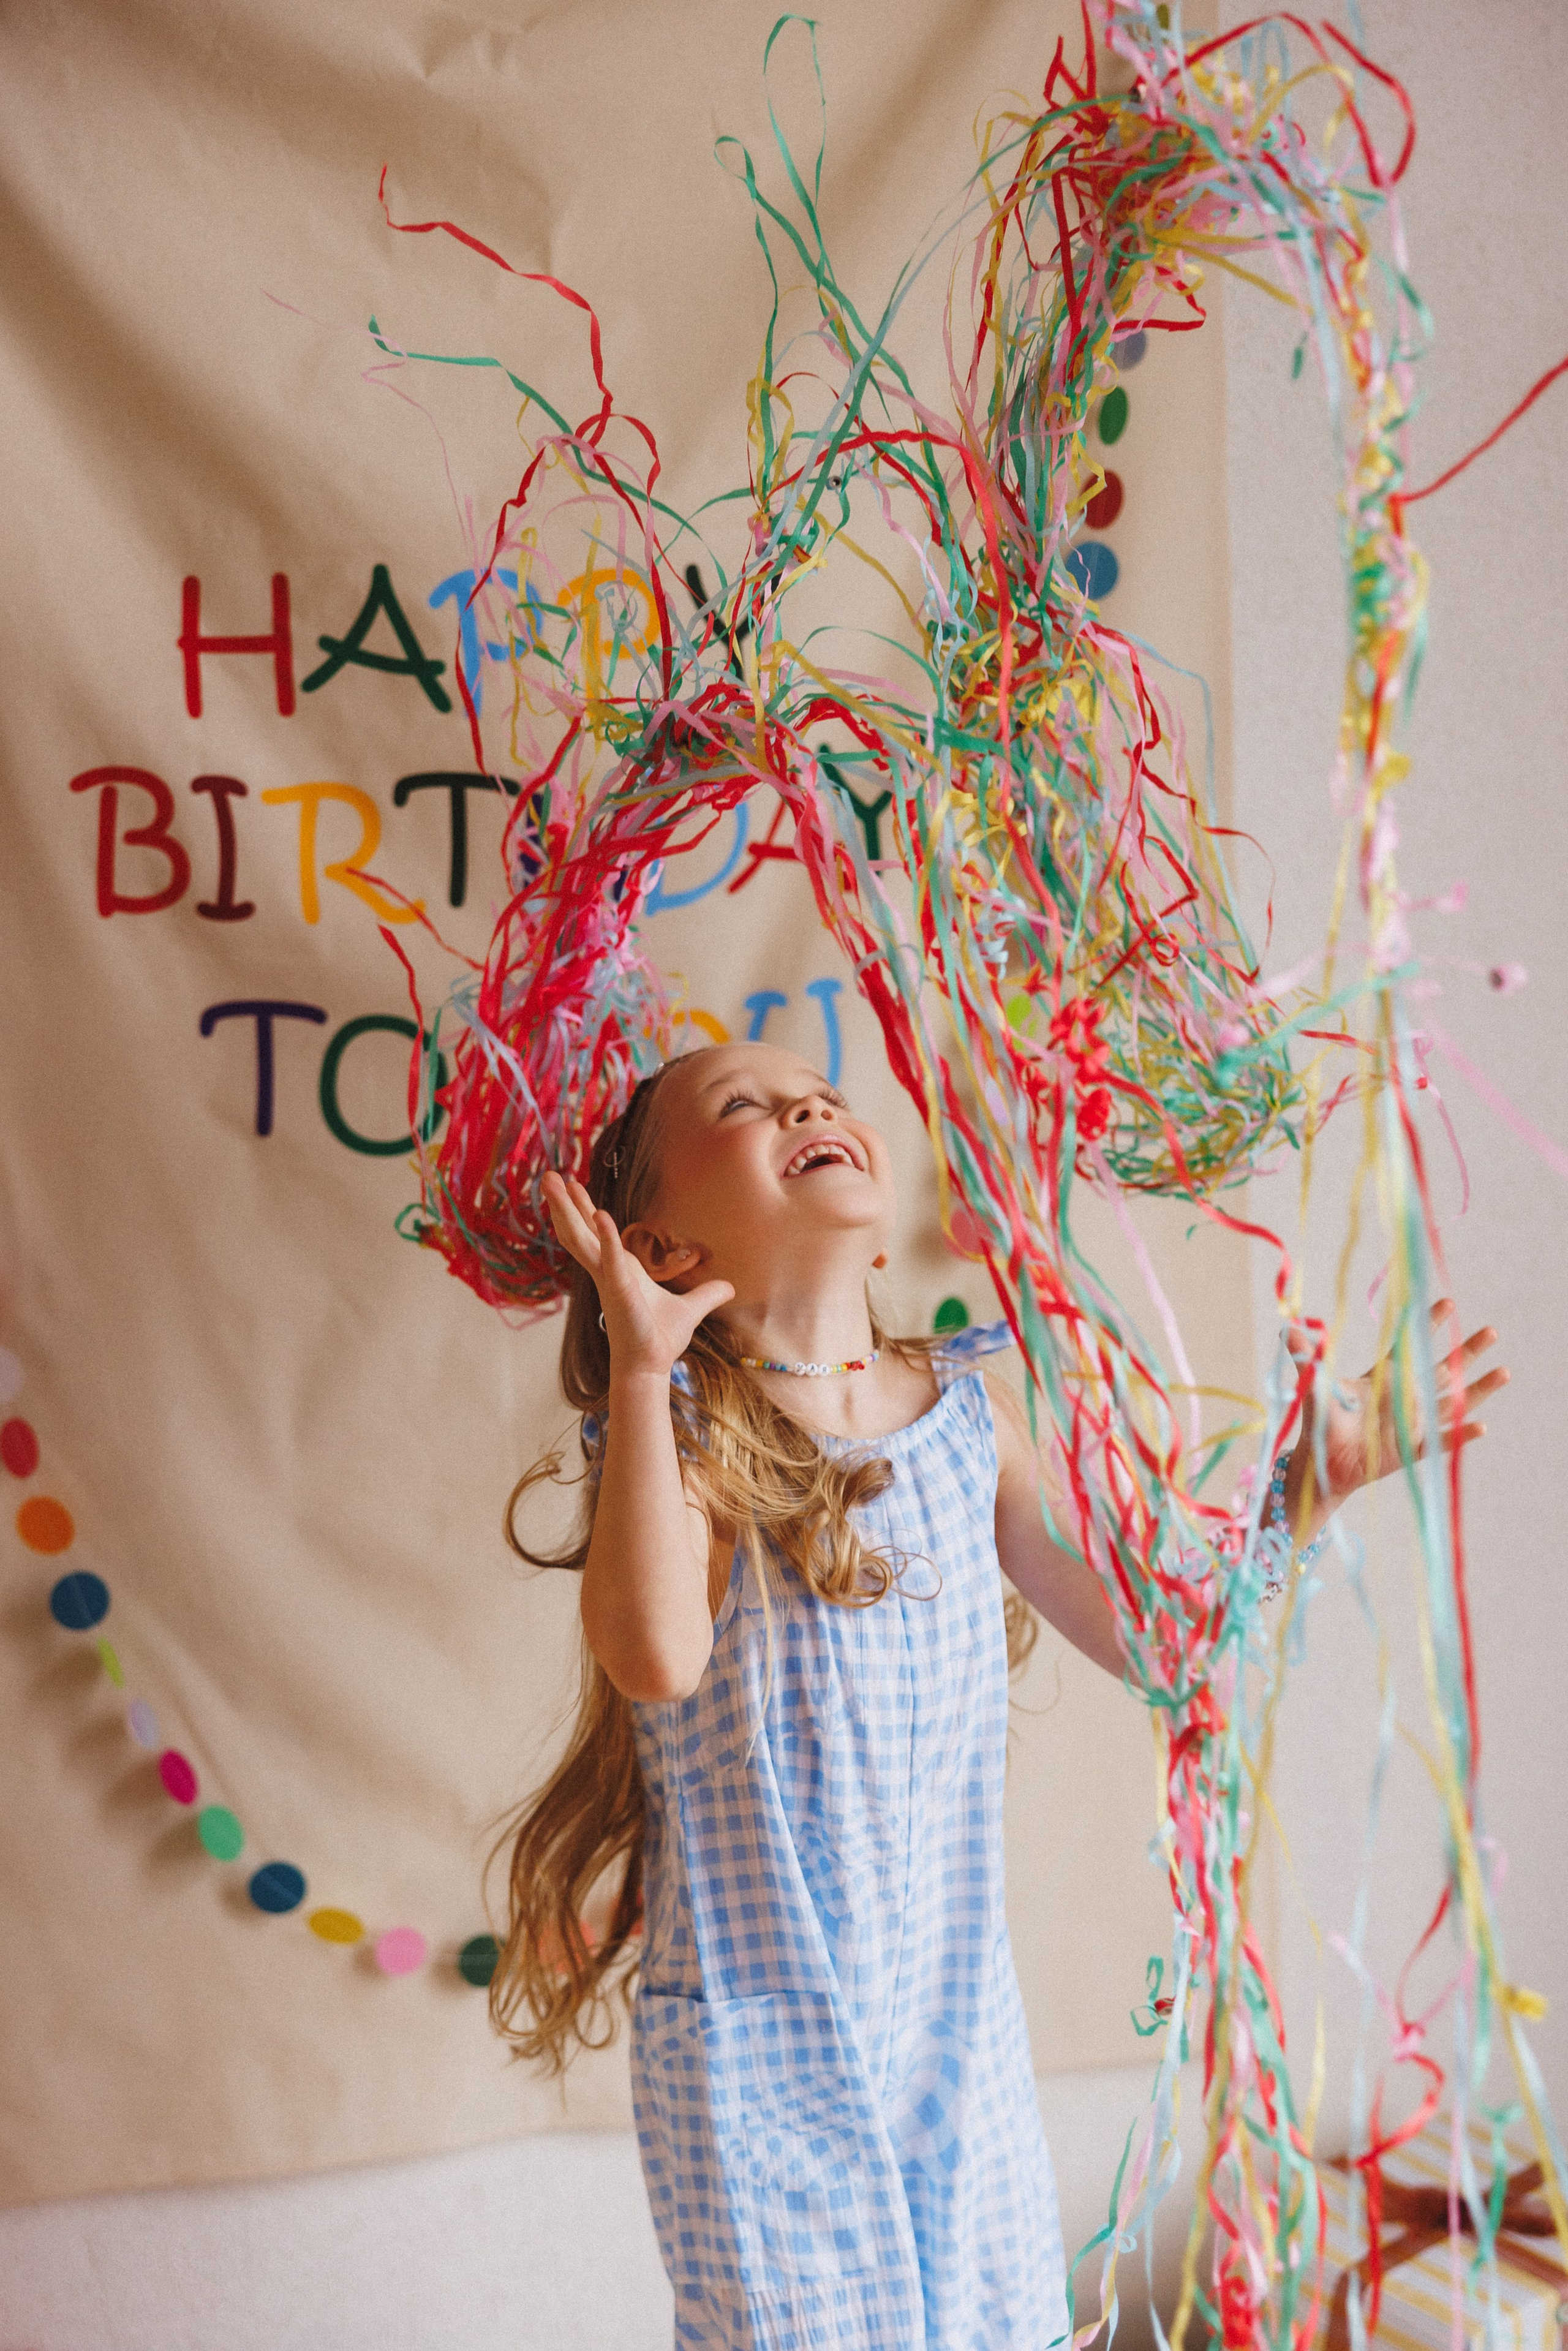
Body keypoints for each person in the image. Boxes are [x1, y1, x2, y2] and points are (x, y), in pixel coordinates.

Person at [489, 1040, 1506, 2351]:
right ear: (661, 1250)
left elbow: (1169, 1647)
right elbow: (654, 1658)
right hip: (763, 2070)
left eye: (816, 1092)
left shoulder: (965, 1418)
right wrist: (639, 1370)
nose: (806, 1104)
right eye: (743, 1105)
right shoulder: (684, 1432)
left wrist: (1309, 1485)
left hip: (957, 2038)